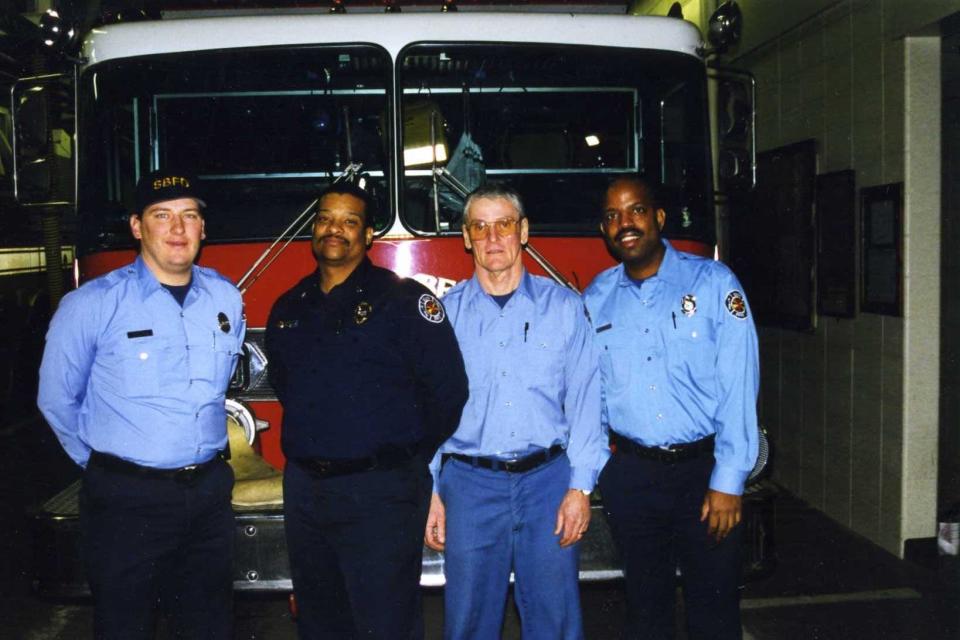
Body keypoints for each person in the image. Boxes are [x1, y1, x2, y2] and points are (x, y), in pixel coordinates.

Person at [37, 170, 244, 640]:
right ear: (137, 227)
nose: (178, 228)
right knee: (125, 627)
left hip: (209, 496)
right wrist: (105, 466)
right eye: (162, 215)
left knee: (210, 627)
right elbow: (55, 399)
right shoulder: (91, 304)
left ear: (203, 229)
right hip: (126, 503)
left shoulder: (225, 298)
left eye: (189, 216)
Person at [265, 182, 468, 639]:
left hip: (381, 492)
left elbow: (448, 391)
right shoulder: (289, 307)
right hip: (307, 493)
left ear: (369, 235)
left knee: (386, 624)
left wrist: (403, 457)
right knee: (320, 622)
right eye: (325, 219)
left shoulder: (403, 301)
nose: (334, 229)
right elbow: (286, 384)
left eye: (349, 221)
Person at [425, 183, 608, 640]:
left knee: (554, 617)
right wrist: (429, 489)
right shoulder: (443, 318)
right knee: (467, 619)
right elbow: (425, 411)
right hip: (468, 484)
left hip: (547, 482)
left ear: (523, 231)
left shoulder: (565, 309)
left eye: (504, 224)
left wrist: (580, 488)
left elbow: (587, 401)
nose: (493, 238)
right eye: (480, 227)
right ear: (466, 237)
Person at [583, 176, 759, 640]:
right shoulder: (596, 298)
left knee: (715, 609)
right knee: (645, 611)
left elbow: (739, 384)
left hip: (704, 474)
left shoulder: (714, 283)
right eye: (612, 216)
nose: (625, 224)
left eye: (636, 210)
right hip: (632, 478)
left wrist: (729, 480)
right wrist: (606, 471)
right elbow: (590, 395)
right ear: (604, 229)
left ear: (659, 218)